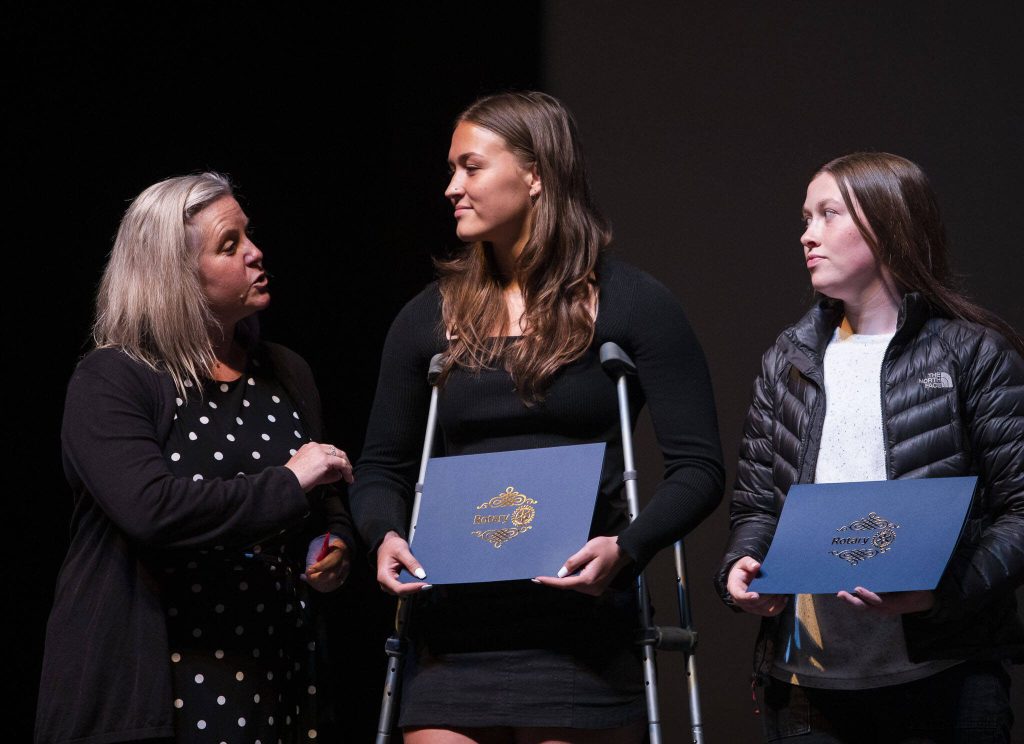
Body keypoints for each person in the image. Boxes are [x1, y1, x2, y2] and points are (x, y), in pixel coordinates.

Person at [349, 91, 724, 743]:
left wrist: (627, 551)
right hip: (453, 630)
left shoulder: (634, 305)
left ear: (535, 175)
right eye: (451, 170)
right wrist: (383, 535)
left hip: (579, 627)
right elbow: (380, 467)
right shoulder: (428, 318)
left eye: (469, 167)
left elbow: (699, 468)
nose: (450, 188)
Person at [36, 173, 356, 744]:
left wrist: (329, 546)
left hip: (272, 669)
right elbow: (151, 509)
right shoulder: (115, 377)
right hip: (158, 679)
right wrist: (288, 482)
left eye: (247, 235)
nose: (255, 253)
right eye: (228, 246)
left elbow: (322, 500)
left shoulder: (285, 371)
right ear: (175, 277)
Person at [715, 152, 1023, 742]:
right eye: (805, 218)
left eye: (829, 214)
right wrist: (742, 566)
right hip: (807, 678)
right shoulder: (788, 361)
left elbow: (1021, 508)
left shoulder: (972, 355)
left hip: (939, 673)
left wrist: (942, 592)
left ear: (889, 226)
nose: (808, 235)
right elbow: (757, 504)